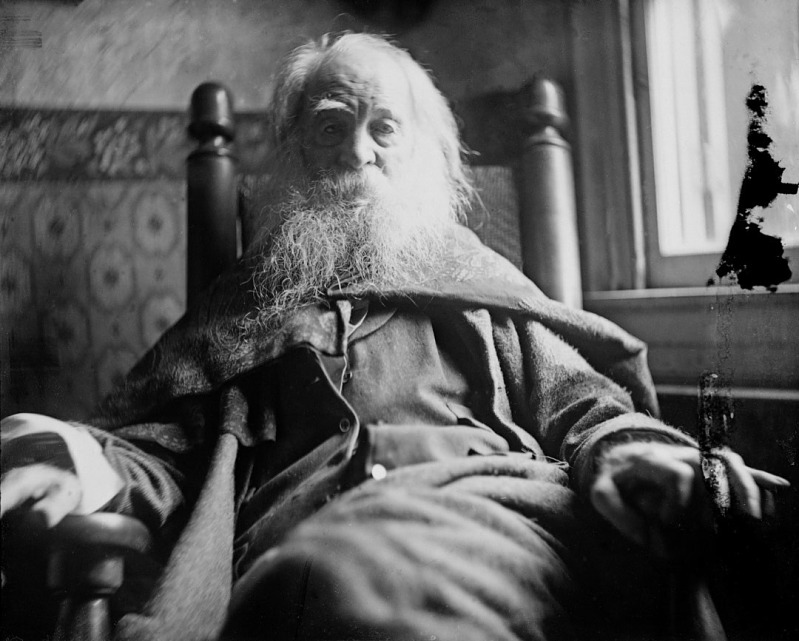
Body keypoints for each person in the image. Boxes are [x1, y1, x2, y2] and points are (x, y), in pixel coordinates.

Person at [0, 32, 789, 641]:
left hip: (488, 520)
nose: (357, 152)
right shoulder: (244, 311)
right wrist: (82, 455)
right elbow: (161, 454)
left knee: (332, 581)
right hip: (280, 559)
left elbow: (591, 414)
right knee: (301, 587)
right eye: (330, 127)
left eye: (384, 129)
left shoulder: (482, 294)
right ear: (293, 156)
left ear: (425, 158)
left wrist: (630, 452)